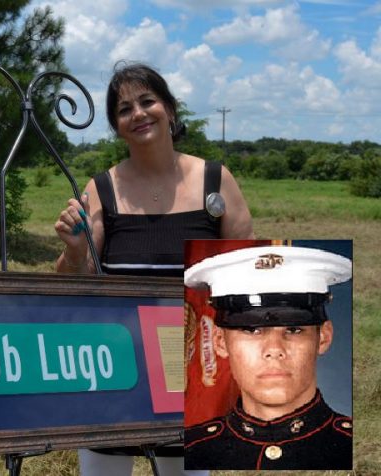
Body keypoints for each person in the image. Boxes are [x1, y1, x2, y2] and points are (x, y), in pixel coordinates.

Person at [54, 62, 254, 475]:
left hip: (191, 377)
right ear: (117, 125)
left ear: (170, 110)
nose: (138, 113)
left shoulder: (216, 181)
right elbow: (74, 283)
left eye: (148, 101)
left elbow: (243, 275)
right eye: (124, 109)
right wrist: (74, 253)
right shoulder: (101, 189)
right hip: (114, 376)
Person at [183, 245, 353, 470]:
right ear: (219, 342)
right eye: (252, 330)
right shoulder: (192, 450)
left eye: (293, 330)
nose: (274, 349)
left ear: (323, 338)